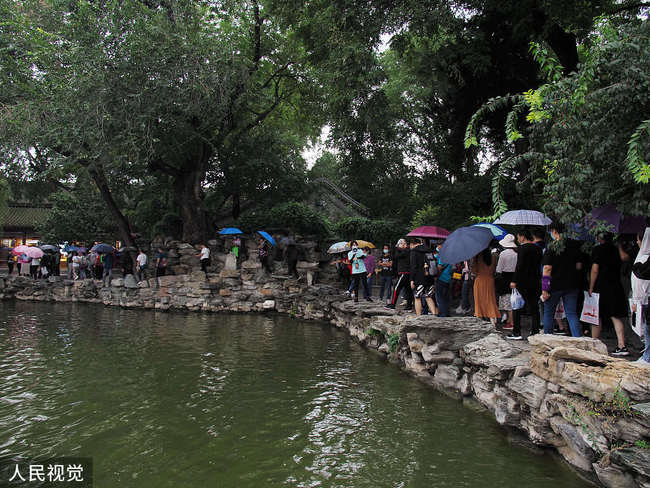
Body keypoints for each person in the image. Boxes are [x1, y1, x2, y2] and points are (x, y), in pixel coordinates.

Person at [541, 222, 583, 337]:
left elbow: (547, 268)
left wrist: (545, 288)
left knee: (549, 313)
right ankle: (577, 339)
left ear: (554, 231)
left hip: (554, 285)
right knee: (571, 313)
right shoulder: (575, 245)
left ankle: (547, 339)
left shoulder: (552, 247)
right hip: (572, 284)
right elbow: (579, 266)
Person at [589, 233, 629, 356]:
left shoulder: (597, 250)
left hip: (601, 286)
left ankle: (594, 344)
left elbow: (595, 270)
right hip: (615, 285)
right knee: (615, 316)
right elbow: (625, 258)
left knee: (596, 316)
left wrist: (591, 286)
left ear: (599, 238)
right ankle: (622, 345)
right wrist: (619, 246)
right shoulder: (616, 249)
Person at [508, 228, 543, 340]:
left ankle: (516, 331)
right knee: (534, 307)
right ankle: (535, 331)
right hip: (536, 280)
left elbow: (520, 266)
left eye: (518, 237)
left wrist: (514, 280)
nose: (518, 239)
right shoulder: (538, 249)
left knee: (517, 306)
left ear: (522, 236)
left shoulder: (522, 249)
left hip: (523, 281)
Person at [632, 227, 650, 366]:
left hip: (645, 298)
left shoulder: (643, 258)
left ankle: (647, 357)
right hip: (644, 298)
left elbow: (639, 279)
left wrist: (637, 300)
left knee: (646, 328)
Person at [409, 238, 438, 316]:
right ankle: (434, 315)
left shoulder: (414, 251)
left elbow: (413, 266)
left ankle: (418, 317)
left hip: (419, 278)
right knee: (428, 296)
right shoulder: (429, 250)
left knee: (417, 297)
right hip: (429, 277)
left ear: (412, 244)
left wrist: (412, 279)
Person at [472, 247, 500, 326]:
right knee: (490, 300)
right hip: (490, 281)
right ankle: (493, 322)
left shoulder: (477, 258)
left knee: (479, 301)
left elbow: (474, 271)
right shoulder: (494, 257)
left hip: (479, 281)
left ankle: (480, 322)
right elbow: (495, 270)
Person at [496, 234, 518, 330]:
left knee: (507, 302)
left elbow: (499, 269)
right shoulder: (517, 253)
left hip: (505, 278)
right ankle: (510, 320)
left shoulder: (503, 254)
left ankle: (511, 322)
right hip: (515, 277)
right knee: (514, 301)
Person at [386, 239, 413, 311]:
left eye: (402, 243)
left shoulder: (406, 250)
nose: (401, 244)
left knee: (396, 288)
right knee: (408, 290)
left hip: (404, 272)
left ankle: (393, 304)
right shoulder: (406, 250)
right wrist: (398, 248)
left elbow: (396, 256)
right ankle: (409, 306)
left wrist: (398, 248)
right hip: (406, 272)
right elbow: (393, 256)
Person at [434, 243, 452, 317]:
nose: (437, 247)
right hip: (448, 278)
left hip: (441, 278)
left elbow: (440, 266)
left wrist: (436, 275)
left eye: (438, 245)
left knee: (440, 298)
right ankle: (446, 312)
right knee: (445, 297)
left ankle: (442, 314)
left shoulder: (442, 255)